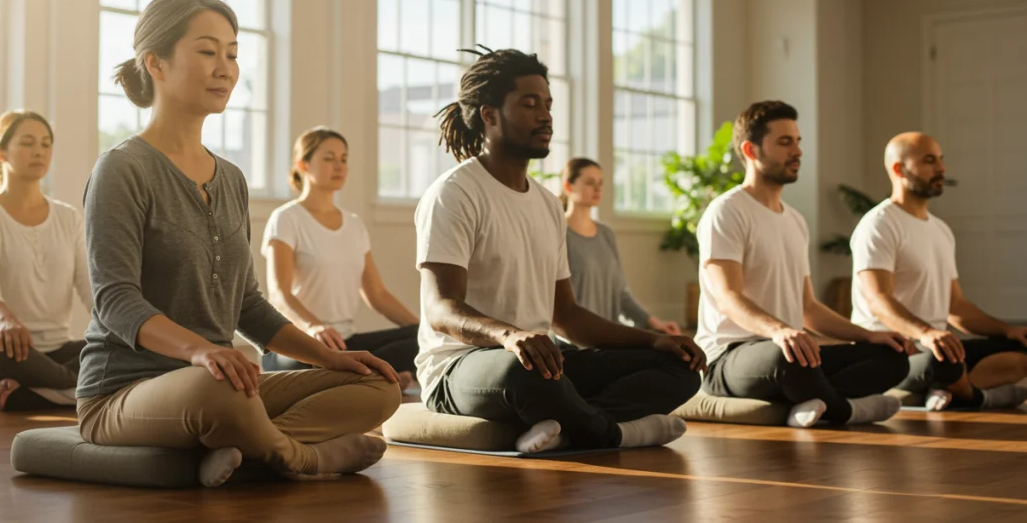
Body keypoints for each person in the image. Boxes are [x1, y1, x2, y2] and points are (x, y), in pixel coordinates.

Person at [76, 0, 400, 488]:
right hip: (124, 393)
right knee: (221, 394)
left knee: (378, 387)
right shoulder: (121, 169)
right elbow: (115, 301)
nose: (226, 67)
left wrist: (330, 357)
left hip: (226, 384)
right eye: (208, 51)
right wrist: (201, 351)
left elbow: (247, 305)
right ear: (156, 64)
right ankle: (302, 458)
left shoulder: (230, 179)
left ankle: (245, 446)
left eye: (232, 53)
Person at [415, 45, 705, 454]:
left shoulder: (548, 204)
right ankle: (617, 433)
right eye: (529, 104)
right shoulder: (454, 193)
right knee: (526, 374)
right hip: (463, 366)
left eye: (548, 104)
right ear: (489, 114)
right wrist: (509, 336)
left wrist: (652, 339)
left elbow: (566, 317)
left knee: (681, 367)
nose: (546, 115)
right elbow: (440, 307)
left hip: (545, 361)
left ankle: (567, 426)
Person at [696, 101, 910, 428]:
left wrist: (868, 336)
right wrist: (779, 330)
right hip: (730, 356)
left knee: (892, 357)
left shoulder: (795, 221)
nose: (797, 151)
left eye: (797, 141)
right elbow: (727, 296)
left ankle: (810, 399)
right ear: (751, 150)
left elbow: (808, 308)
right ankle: (844, 410)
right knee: (789, 359)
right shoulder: (726, 212)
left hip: (791, 348)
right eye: (784, 142)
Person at [851, 132, 1027, 411]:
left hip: (937, 346)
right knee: (940, 361)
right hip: (891, 350)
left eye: (941, 160)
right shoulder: (879, 225)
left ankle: (943, 388)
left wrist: (1008, 329)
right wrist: (926, 333)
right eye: (929, 161)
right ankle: (974, 396)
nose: (941, 169)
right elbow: (877, 300)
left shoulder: (941, 230)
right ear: (898, 169)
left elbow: (956, 306)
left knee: (1025, 351)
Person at [261, 127, 420, 390]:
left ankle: (366, 379)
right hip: (299, 346)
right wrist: (314, 327)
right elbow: (279, 293)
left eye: (344, 159)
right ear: (303, 165)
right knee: (316, 363)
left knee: (419, 338)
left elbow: (377, 295)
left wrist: (427, 332)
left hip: (346, 344)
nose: (339, 165)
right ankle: (378, 379)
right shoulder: (286, 219)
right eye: (329, 158)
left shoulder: (354, 225)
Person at [0, 110, 92, 410]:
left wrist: (121, 330)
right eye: (28, 143)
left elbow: (89, 286)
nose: (39, 152)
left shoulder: (68, 218)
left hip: (55, 350)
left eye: (46, 144)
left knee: (116, 348)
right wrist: (6, 320)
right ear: (0, 151)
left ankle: (36, 393)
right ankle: (84, 388)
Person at [559, 157, 682, 335]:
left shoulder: (606, 234)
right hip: (575, 339)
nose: (598, 188)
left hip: (609, 336)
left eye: (601, 183)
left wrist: (654, 323)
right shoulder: (558, 233)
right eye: (589, 183)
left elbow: (620, 293)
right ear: (568, 186)